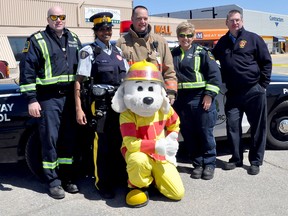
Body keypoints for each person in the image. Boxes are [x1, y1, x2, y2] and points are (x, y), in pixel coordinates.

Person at [19, 6, 82, 199]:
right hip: (48, 98)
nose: (58, 20)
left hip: (70, 98)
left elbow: (83, 67)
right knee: (49, 140)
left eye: (62, 16)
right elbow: (27, 71)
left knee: (68, 138)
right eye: (54, 17)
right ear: (48, 19)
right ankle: (53, 181)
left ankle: (67, 178)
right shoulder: (36, 40)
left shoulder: (73, 38)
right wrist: (31, 100)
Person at [74, 12, 129, 199]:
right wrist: (79, 108)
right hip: (100, 105)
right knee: (102, 144)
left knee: (119, 141)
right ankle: (102, 183)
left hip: (119, 104)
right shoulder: (89, 52)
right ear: (96, 31)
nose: (106, 31)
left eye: (108, 28)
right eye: (102, 29)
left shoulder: (118, 52)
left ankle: (118, 178)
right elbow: (78, 81)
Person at [212, 9, 272, 175]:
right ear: (226, 23)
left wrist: (263, 85)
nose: (235, 23)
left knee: (257, 127)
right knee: (232, 126)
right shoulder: (222, 43)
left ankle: (255, 161)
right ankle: (236, 158)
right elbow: (211, 59)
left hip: (254, 90)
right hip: (233, 93)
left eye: (237, 20)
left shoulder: (253, 39)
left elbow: (266, 62)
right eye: (231, 20)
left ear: (242, 21)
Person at [171, 22, 221, 180]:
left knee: (205, 132)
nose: (186, 39)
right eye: (182, 35)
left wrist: (209, 95)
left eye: (189, 35)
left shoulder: (203, 52)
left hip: (200, 97)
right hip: (181, 99)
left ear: (193, 37)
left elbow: (215, 75)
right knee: (189, 133)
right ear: (178, 37)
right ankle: (197, 164)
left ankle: (209, 164)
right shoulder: (173, 54)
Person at [116, 5, 177, 104]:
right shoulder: (121, 43)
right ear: (132, 19)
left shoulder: (160, 42)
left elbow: (169, 71)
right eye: (139, 19)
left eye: (145, 18)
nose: (142, 22)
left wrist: (170, 92)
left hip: (156, 97)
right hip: (132, 99)